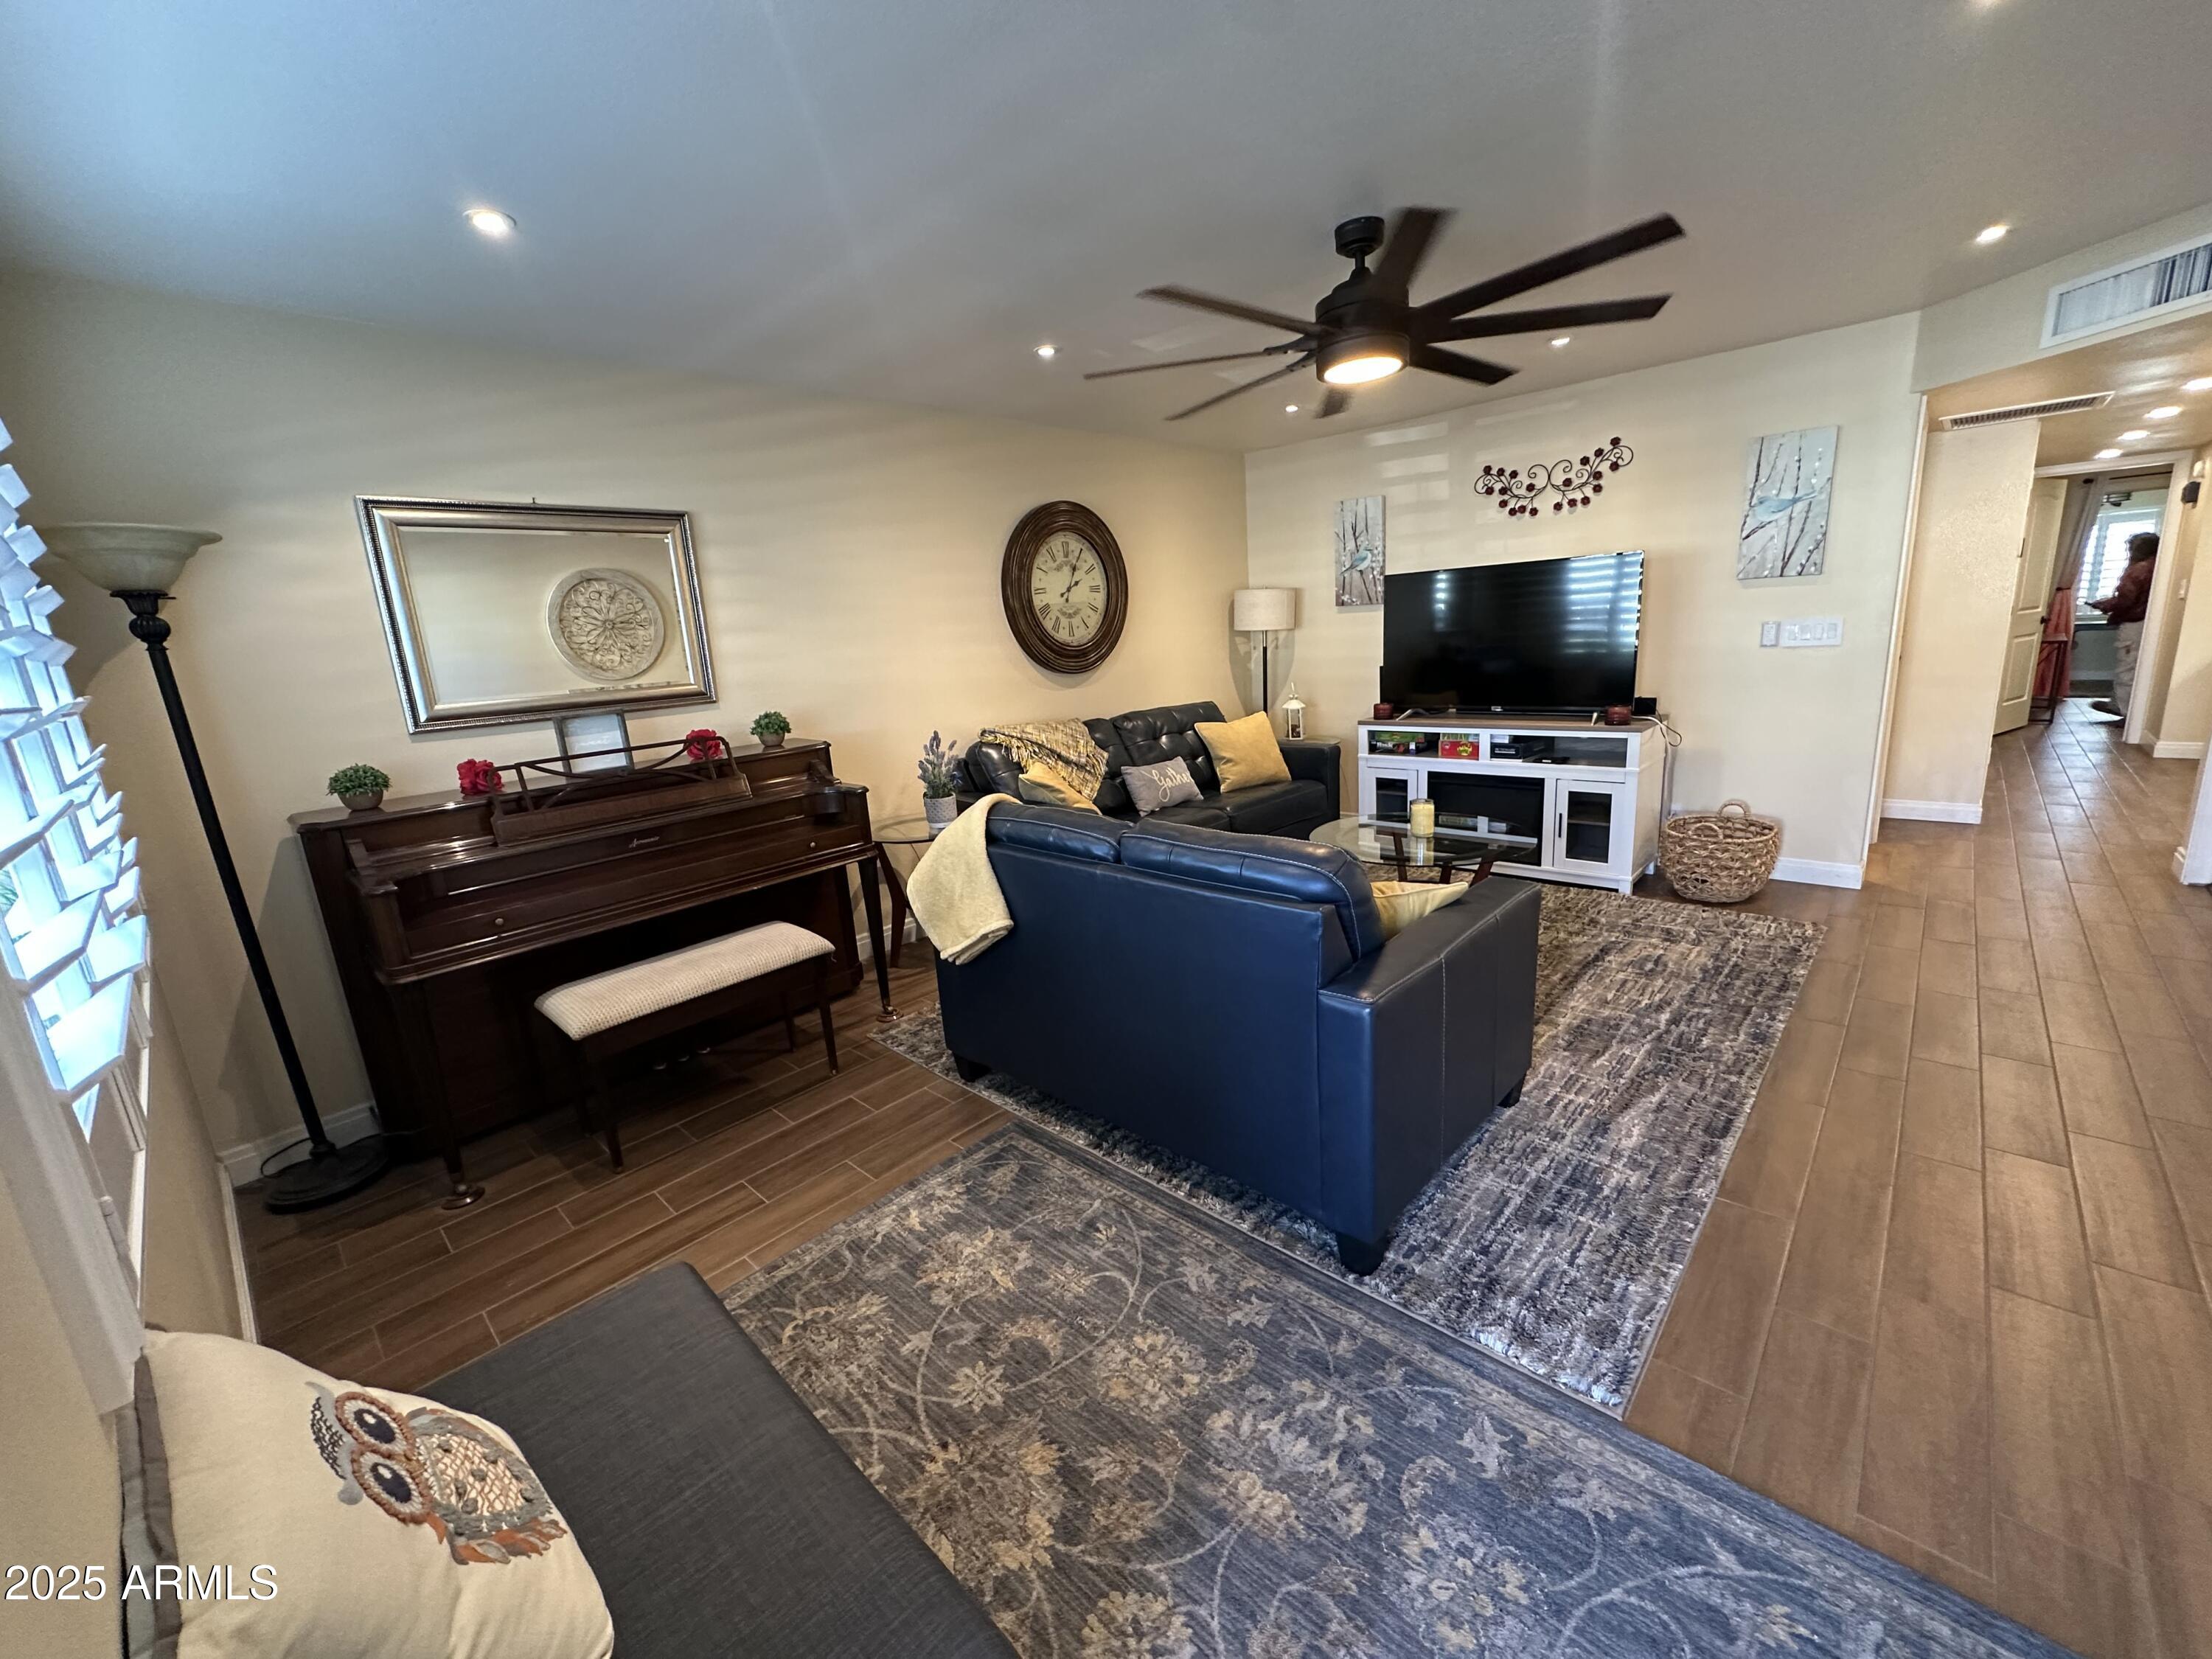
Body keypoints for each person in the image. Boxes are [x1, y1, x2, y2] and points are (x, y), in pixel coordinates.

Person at [2090, 530, 2159, 717]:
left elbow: (2126, 600)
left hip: (2134, 623)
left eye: (2131, 548)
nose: (2129, 552)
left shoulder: (2138, 570)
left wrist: (2108, 606)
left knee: (2127, 666)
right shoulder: (2159, 567)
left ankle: (2122, 709)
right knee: (2136, 666)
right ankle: (2127, 708)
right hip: (2147, 622)